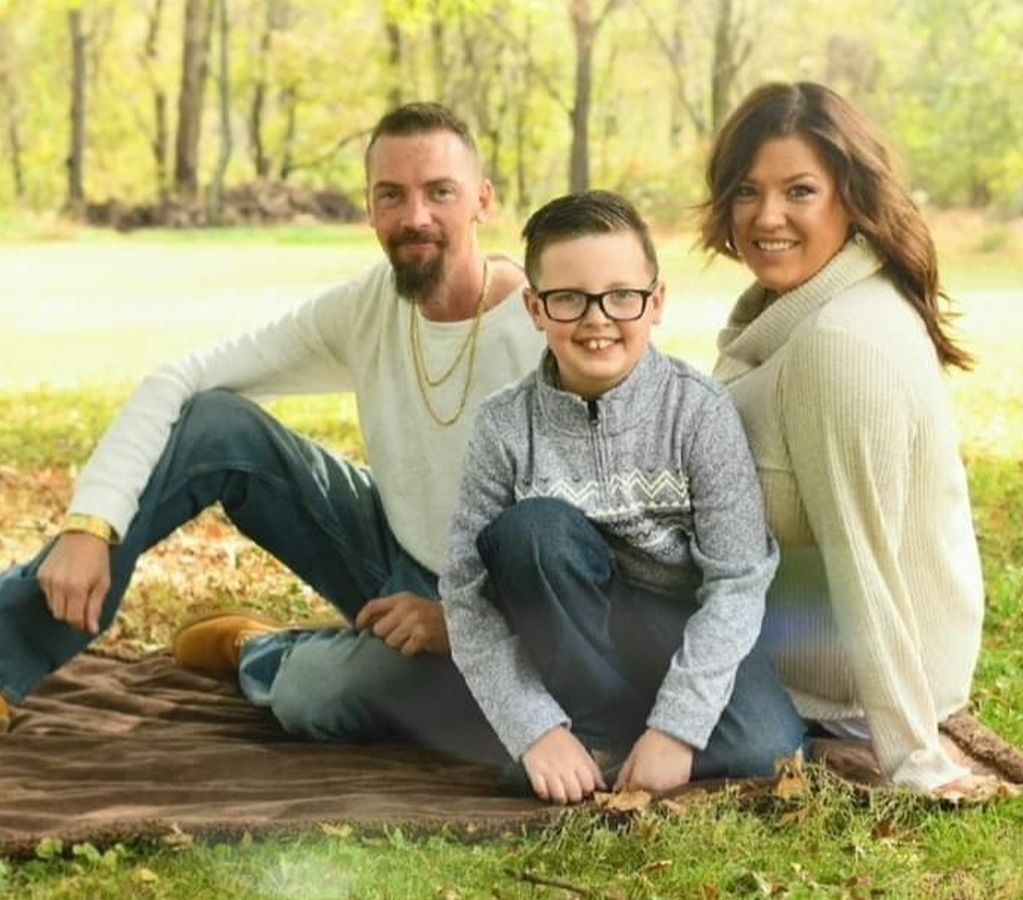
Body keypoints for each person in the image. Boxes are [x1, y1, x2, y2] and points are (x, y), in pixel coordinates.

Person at [0, 102, 543, 761]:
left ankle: (256, 647)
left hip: (500, 607)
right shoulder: (367, 306)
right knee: (216, 425)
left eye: (440, 192)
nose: (415, 216)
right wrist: (92, 523)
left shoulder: (543, 331)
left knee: (315, 696)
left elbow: (584, 559)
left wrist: (455, 623)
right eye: (391, 195)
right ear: (369, 208)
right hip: (391, 547)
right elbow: (181, 379)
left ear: (483, 200)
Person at [440, 190, 807, 806]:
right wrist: (535, 730)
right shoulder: (504, 427)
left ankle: (623, 746)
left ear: (655, 302)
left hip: (682, 629)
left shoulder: (699, 413)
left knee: (767, 749)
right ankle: (583, 734)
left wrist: (678, 729)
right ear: (534, 308)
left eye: (621, 296)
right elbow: (465, 597)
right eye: (568, 298)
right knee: (533, 530)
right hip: (573, 633)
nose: (597, 319)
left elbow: (738, 582)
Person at [699, 81, 986, 794]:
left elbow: (865, 556)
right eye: (747, 191)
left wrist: (913, 758)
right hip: (788, 641)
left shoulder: (840, 343)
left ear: (850, 198)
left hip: (837, 695)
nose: (767, 216)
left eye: (800, 191)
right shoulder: (794, 311)